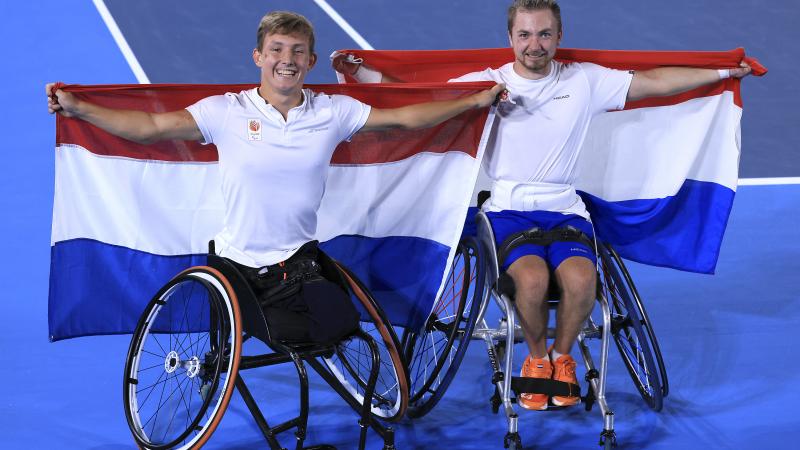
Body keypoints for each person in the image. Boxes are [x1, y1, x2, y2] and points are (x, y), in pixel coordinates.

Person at [333, 0, 751, 410]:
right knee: (530, 283)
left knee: (583, 281)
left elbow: (654, 82)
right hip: (508, 211)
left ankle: (562, 359)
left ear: (559, 36)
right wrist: (363, 72)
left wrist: (721, 72)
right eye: (526, 34)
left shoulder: (585, 80)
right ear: (511, 37)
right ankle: (536, 355)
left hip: (566, 210)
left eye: (545, 34)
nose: (535, 44)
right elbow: (419, 98)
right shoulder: (489, 82)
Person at [47, 10, 504, 344]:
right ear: (259, 57)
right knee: (288, 335)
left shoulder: (332, 112)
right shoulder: (225, 111)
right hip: (237, 266)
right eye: (277, 51)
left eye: (298, 53)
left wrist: (471, 103)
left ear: (310, 61)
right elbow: (151, 129)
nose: (287, 60)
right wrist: (79, 108)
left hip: (299, 262)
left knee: (340, 327)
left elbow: (405, 120)